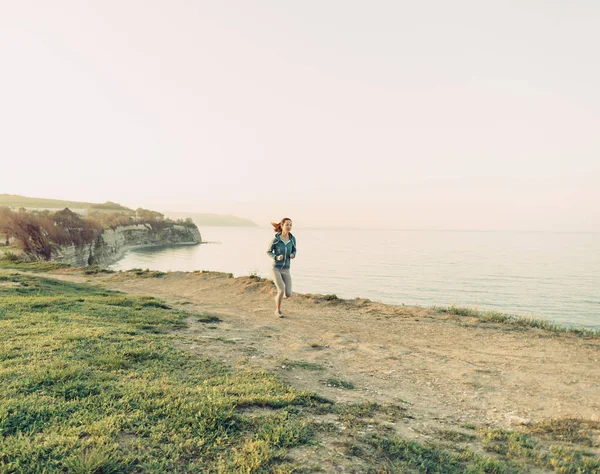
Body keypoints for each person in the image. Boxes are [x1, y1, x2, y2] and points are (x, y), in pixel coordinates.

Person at [266, 217, 296, 317]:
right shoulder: (276, 239)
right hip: (276, 268)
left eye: (290, 225)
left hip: (286, 269)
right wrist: (276, 256)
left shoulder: (292, 239)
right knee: (281, 290)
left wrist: (293, 254)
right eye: (287, 224)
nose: (289, 227)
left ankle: (277, 298)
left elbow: (294, 250)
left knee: (288, 294)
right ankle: (278, 311)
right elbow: (268, 251)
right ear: (282, 226)